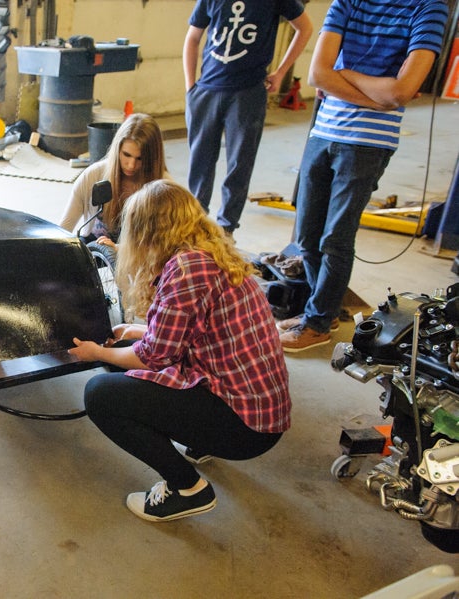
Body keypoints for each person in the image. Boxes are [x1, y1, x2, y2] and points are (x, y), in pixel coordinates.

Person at [68, 180, 290, 522]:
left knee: (101, 393)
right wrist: (134, 330)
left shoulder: (185, 270)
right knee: (124, 347)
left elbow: (151, 357)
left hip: (245, 429)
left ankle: (188, 489)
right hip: (260, 413)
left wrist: (97, 352)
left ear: (148, 231)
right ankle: (201, 442)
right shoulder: (211, 253)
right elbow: (190, 333)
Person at [278, 0, 449, 352]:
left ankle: (318, 322)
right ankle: (321, 310)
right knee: (308, 238)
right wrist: (377, 93)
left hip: (368, 143)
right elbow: (317, 74)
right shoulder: (349, 2)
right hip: (324, 132)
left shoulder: (428, 9)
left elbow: (402, 91)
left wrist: (345, 73)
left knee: (335, 239)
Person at [183, 0, 312, 234]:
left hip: (247, 92)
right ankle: (195, 223)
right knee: (199, 162)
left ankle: (227, 228)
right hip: (207, 90)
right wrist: (191, 87)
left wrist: (281, 71)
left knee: (240, 163)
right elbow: (193, 37)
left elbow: (305, 28)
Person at [58, 113, 170, 255]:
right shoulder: (93, 175)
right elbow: (64, 228)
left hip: (141, 255)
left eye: (140, 158)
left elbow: (164, 242)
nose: (131, 165)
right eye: (126, 155)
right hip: (96, 248)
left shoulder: (165, 186)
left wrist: (119, 249)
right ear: (117, 150)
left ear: (152, 158)